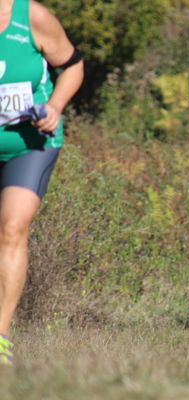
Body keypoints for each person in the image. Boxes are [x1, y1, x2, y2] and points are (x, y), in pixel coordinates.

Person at [0, 0, 84, 364]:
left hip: (30, 144)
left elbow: (73, 66)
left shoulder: (30, 16)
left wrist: (56, 106)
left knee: (12, 227)